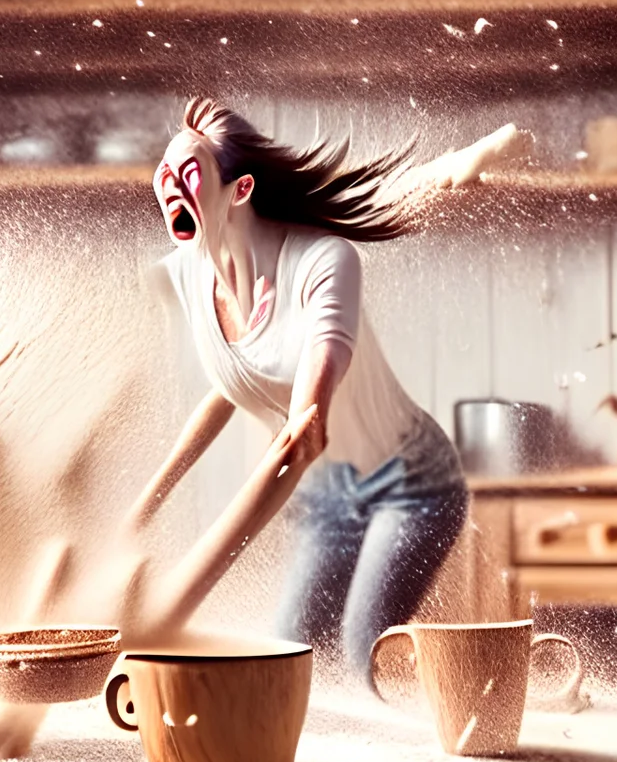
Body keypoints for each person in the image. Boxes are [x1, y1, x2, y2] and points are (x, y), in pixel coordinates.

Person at [128, 98, 471, 689]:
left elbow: (306, 429)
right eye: (165, 169)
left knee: (364, 654)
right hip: (324, 497)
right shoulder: (188, 272)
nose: (168, 181)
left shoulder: (323, 262)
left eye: (188, 171)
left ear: (239, 191)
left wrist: (182, 598)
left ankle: (428, 741)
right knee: (296, 652)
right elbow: (230, 388)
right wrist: (146, 505)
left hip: (409, 483)